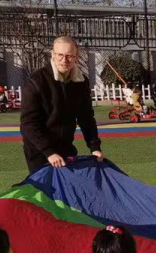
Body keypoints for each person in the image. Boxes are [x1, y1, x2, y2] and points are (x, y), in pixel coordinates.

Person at [19, 36, 104, 173]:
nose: (64, 60)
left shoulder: (81, 82)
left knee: (67, 190)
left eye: (69, 56)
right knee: (44, 192)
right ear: (52, 55)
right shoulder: (36, 81)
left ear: (76, 57)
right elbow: (28, 123)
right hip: (39, 150)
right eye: (60, 55)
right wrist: (49, 152)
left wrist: (94, 147)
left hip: (66, 145)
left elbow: (86, 117)